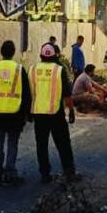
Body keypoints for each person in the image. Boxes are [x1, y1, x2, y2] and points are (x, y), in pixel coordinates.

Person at [0, 40, 31, 186]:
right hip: (15, 114)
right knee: (12, 144)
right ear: (13, 52)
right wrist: (25, 112)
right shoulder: (19, 69)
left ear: (1, 52)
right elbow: (27, 94)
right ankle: (10, 173)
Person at [30, 43, 77, 184]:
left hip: (38, 113)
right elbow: (67, 94)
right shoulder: (59, 70)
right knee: (63, 143)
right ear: (55, 56)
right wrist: (71, 110)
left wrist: (28, 112)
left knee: (41, 145)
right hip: (55, 113)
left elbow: (29, 92)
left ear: (41, 55)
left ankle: (45, 174)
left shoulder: (32, 70)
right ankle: (69, 172)